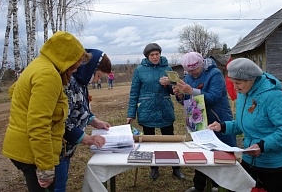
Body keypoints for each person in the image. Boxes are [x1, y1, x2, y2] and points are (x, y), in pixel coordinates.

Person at [2, 31, 87, 192]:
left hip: (27, 148)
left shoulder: (38, 65)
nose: (77, 67)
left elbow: (14, 92)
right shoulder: (48, 75)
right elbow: (39, 124)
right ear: (65, 57)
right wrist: (45, 167)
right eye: (77, 61)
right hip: (33, 153)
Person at [207, 58, 282, 192]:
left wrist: (262, 146)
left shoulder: (273, 97)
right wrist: (222, 126)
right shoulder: (243, 93)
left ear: (250, 79)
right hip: (249, 159)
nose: (234, 87)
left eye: (238, 83)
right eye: (232, 82)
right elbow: (243, 124)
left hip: (273, 165)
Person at [172, 52, 236, 192]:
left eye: (194, 69)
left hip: (218, 118)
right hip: (199, 121)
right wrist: (181, 96)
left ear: (201, 64)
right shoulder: (188, 76)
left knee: (220, 153)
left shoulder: (215, 74)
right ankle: (199, 186)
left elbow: (213, 97)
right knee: (201, 153)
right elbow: (189, 102)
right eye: (189, 71)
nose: (192, 73)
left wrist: (192, 91)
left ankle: (218, 185)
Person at [55, 48, 112, 192]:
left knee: (62, 181)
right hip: (56, 147)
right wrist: (86, 138)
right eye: (98, 76)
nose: (97, 80)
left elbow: (80, 109)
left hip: (66, 149)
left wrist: (94, 121)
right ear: (91, 68)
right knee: (57, 186)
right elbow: (62, 121)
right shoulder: (68, 83)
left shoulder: (80, 84)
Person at [126, 43, 185, 181]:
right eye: (152, 55)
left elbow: (174, 89)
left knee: (170, 140)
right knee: (149, 141)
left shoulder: (167, 68)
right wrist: (130, 113)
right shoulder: (139, 70)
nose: (155, 57)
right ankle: (154, 168)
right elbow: (134, 92)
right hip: (147, 109)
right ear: (147, 56)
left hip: (164, 108)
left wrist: (171, 85)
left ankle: (175, 168)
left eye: (157, 54)